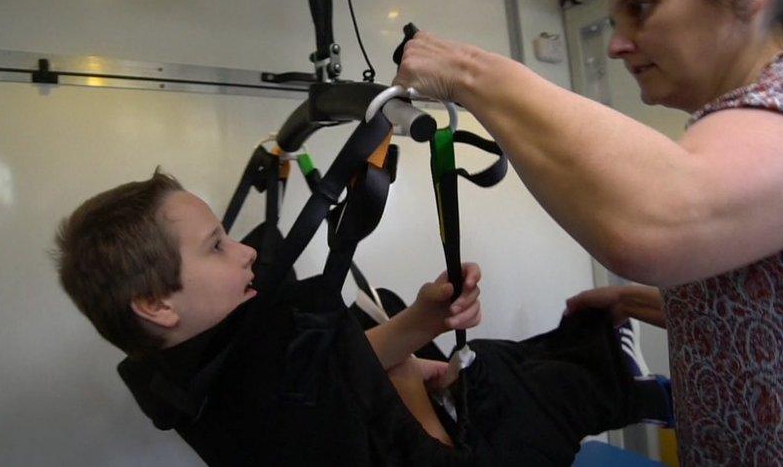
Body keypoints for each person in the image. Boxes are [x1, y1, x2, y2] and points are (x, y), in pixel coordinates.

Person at [393, 0, 783, 463]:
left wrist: (469, 72)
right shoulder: (766, 112)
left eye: (642, 8)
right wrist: (643, 303)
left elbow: (659, 224)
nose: (618, 45)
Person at [54, 170, 673, 466]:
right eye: (216, 245)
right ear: (158, 305)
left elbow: (333, 366)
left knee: (499, 362)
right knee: (530, 390)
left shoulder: (214, 352)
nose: (244, 250)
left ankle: (621, 378)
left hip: (431, 416)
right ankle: (627, 386)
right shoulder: (244, 405)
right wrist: (411, 380)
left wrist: (423, 321)